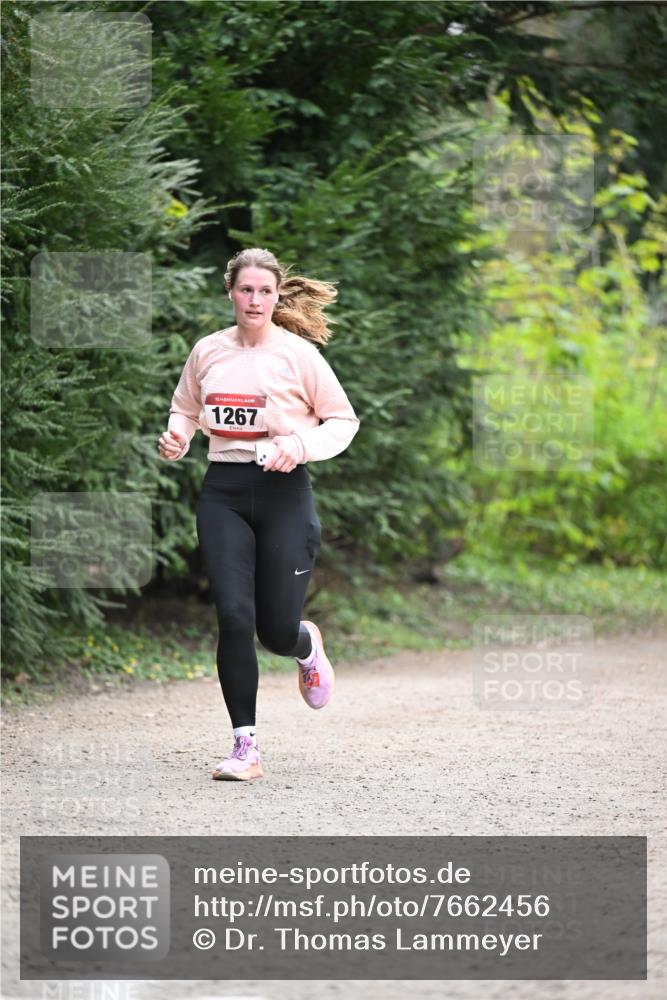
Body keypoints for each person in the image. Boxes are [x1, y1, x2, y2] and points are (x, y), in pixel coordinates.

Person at [158, 247, 361, 781]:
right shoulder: (207, 351)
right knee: (232, 617)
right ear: (230, 292)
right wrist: (179, 435)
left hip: (284, 493)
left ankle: (304, 643)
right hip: (223, 491)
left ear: (276, 296)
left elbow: (342, 421)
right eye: (246, 290)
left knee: (273, 631)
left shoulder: (298, 355)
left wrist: (298, 443)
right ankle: (244, 746)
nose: (255, 300)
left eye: (265, 291)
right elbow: (186, 407)